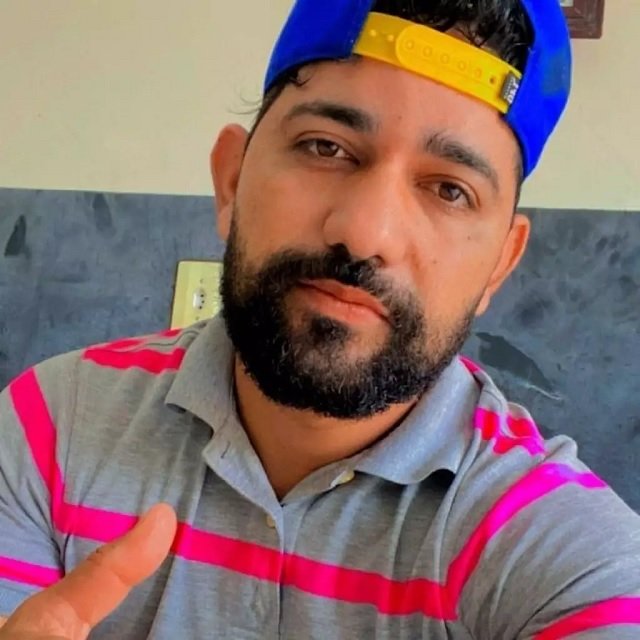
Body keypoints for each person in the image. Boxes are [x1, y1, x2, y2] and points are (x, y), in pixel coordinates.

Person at [0, 0, 639, 637]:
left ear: (499, 265)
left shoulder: (567, 555)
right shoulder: (50, 428)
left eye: (450, 189)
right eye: (326, 147)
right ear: (231, 182)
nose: (365, 233)